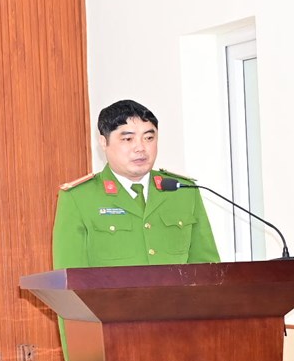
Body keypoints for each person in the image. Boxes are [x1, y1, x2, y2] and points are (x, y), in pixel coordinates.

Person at [52, 99, 221, 270]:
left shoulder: (183, 191)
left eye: (149, 138)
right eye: (128, 139)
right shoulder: (78, 197)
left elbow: (208, 270)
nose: (140, 148)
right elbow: (70, 277)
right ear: (104, 142)